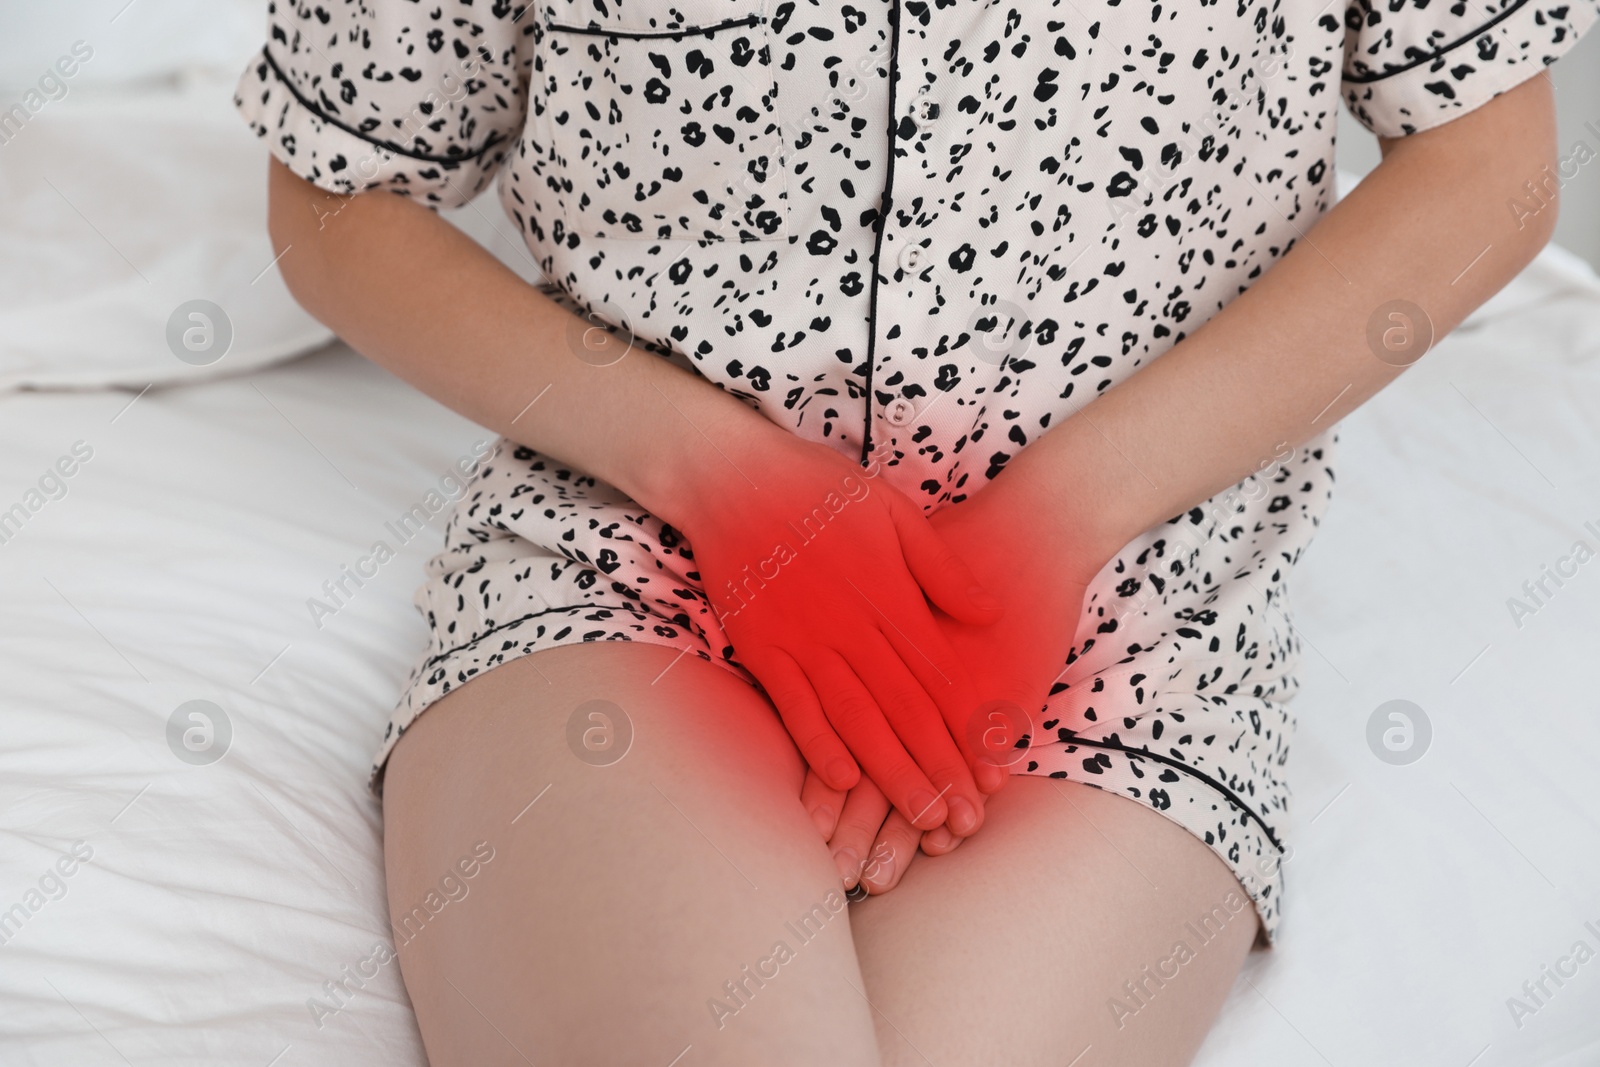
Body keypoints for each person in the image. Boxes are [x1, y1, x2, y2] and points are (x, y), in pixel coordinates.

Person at [237, 0, 1595, 1062]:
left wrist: (1060, 523)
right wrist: (718, 478)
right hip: (635, 567)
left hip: (1121, 625)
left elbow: (1488, 163)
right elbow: (338, 196)